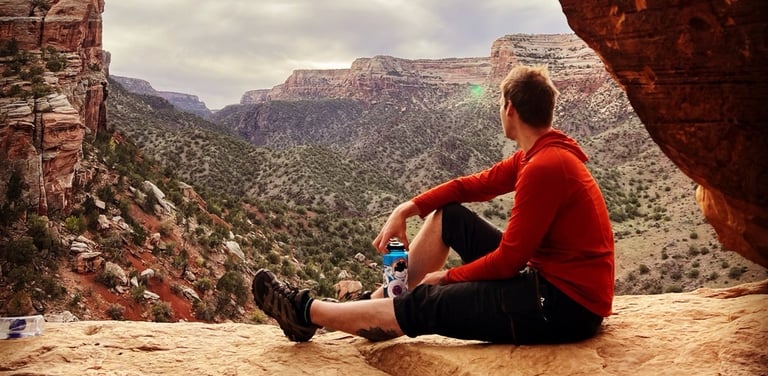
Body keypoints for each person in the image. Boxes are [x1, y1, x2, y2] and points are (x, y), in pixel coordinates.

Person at [251, 64, 615, 344]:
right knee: (450, 217)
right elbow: (470, 186)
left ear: (509, 109)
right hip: (550, 285)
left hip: (563, 307)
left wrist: (448, 277)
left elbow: (509, 260)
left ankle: (305, 312)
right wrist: (406, 209)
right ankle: (377, 302)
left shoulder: (545, 166)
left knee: (429, 299)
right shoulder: (539, 154)